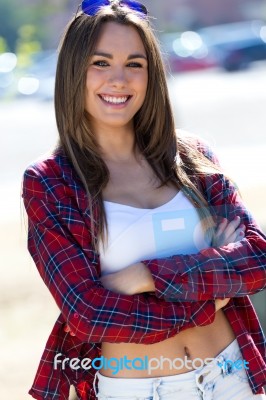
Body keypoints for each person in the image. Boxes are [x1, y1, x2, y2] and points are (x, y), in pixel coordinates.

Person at [22, 1, 266, 399]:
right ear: (73, 71)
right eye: (101, 62)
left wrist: (144, 277)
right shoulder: (50, 182)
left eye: (135, 64)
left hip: (231, 376)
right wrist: (210, 294)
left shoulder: (192, 155)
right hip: (138, 388)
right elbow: (89, 313)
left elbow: (256, 257)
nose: (119, 79)